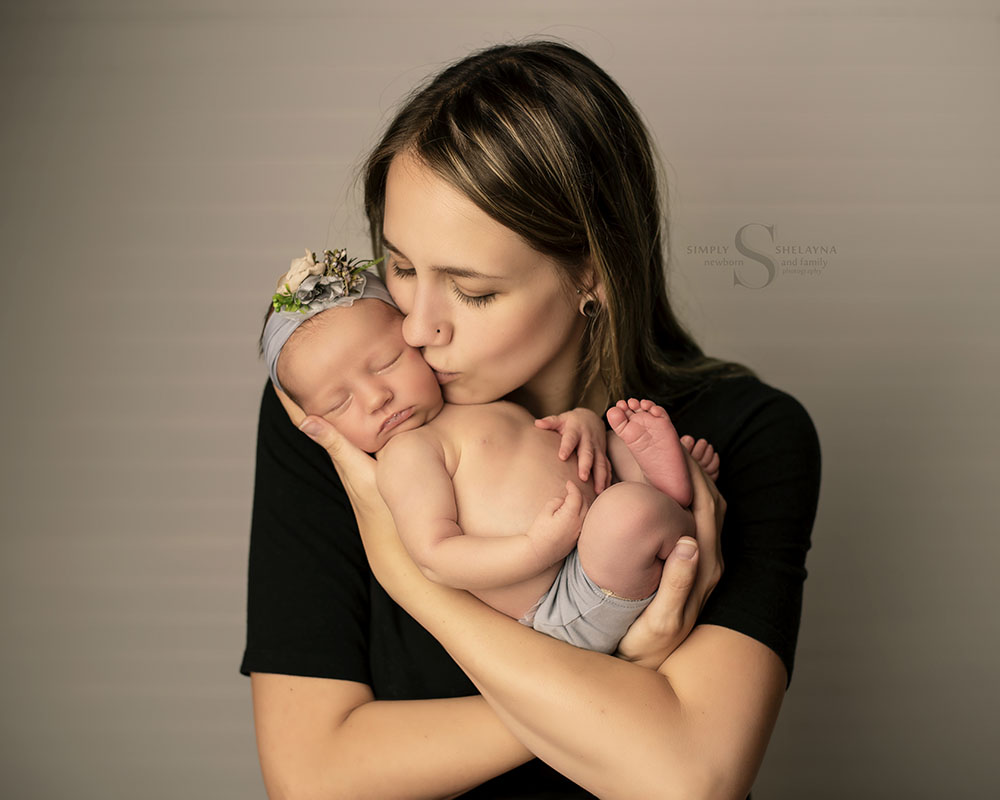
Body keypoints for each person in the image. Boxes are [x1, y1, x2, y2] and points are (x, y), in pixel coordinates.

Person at [242, 41, 821, 799]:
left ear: (592, 274)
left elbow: (688, 779)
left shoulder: (750, 435)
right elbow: (313, 777)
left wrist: (414, 581)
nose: (416, 328)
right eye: (402, 268)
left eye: (472, 291)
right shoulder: (349, 411)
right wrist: (622, 678)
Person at [261, 258, 720, 654]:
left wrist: (581, 423)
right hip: (564, 596)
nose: (377, 397)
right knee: (627, 515)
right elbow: (436, 556)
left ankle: (668, 487)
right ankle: (675, 498)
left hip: (592, 531)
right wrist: (536, 548)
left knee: (615, 438)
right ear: (319, 426)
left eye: (386, 363)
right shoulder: (406, 456)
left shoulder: (470, 394)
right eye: (340, 403)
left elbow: (537, 440)